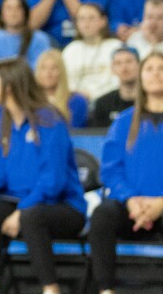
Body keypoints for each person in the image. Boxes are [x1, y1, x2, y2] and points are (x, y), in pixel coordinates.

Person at [0, 58, 87, 294]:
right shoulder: (0, 122)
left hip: (64, 206)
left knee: (32, 217)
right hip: (21, 203)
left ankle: (50, 289)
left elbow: (53, 181)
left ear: (9, 84)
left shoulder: (48, 119)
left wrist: (22, 210)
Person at [88, 51, 163, 294]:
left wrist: (160, 204)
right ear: (141, 77)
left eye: (161, 68)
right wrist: (130, 199)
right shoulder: (123, 121)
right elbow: (110, 171)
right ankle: (106, 289)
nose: (156, 74)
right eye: (149, 69)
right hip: (130, 205)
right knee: (102, 215)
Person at [62, 3, 123, 100]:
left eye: (91, 18)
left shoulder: (115, 46)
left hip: (108, 100)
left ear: (103, 21)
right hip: (76, 101)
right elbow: (65, 81)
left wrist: (94, 95)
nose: (86, 23)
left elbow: (120, 80)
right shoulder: (70, 50)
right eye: (82, 19)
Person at [0, 0, 51, 70]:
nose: (13, 12)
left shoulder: (40, 39)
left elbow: (42, 69)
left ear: (25, 12)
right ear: (1, 14)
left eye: (18, 7)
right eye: (9, 8)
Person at [35, 49, 89, 128]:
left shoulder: (77, 101)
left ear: (61, 72)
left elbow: (74, 133)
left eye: (53, 68)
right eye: (43, 68)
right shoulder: (29, 101)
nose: (48, 73)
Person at [90, 46, 140, 128]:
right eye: (118, 63)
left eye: (129, 61)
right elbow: (97, 137)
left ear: (140, 65)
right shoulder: (102, 104)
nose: (124, 67)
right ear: (112, 69)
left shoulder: (151, 101)